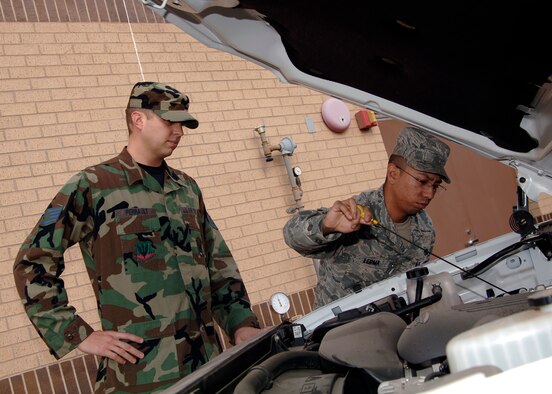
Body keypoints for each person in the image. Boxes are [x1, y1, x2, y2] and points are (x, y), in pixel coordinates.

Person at [13, 81, 261, 393]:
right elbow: (32, 261)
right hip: (142, 375)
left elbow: (218, 263)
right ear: (138, 119)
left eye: (183, 124)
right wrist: (77, 333)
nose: (179, 132)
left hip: (207, 364)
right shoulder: (94, 185)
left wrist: (241, 325)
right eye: (169, 121)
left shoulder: (186, 188)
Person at [283, 126, 451, 308]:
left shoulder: (425, 230)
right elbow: (292, 234)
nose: (429, 194)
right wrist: (325, 226)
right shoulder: (354, 214)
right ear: (393, 173)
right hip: (339, 329)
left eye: (435, 186)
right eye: (423, 181)